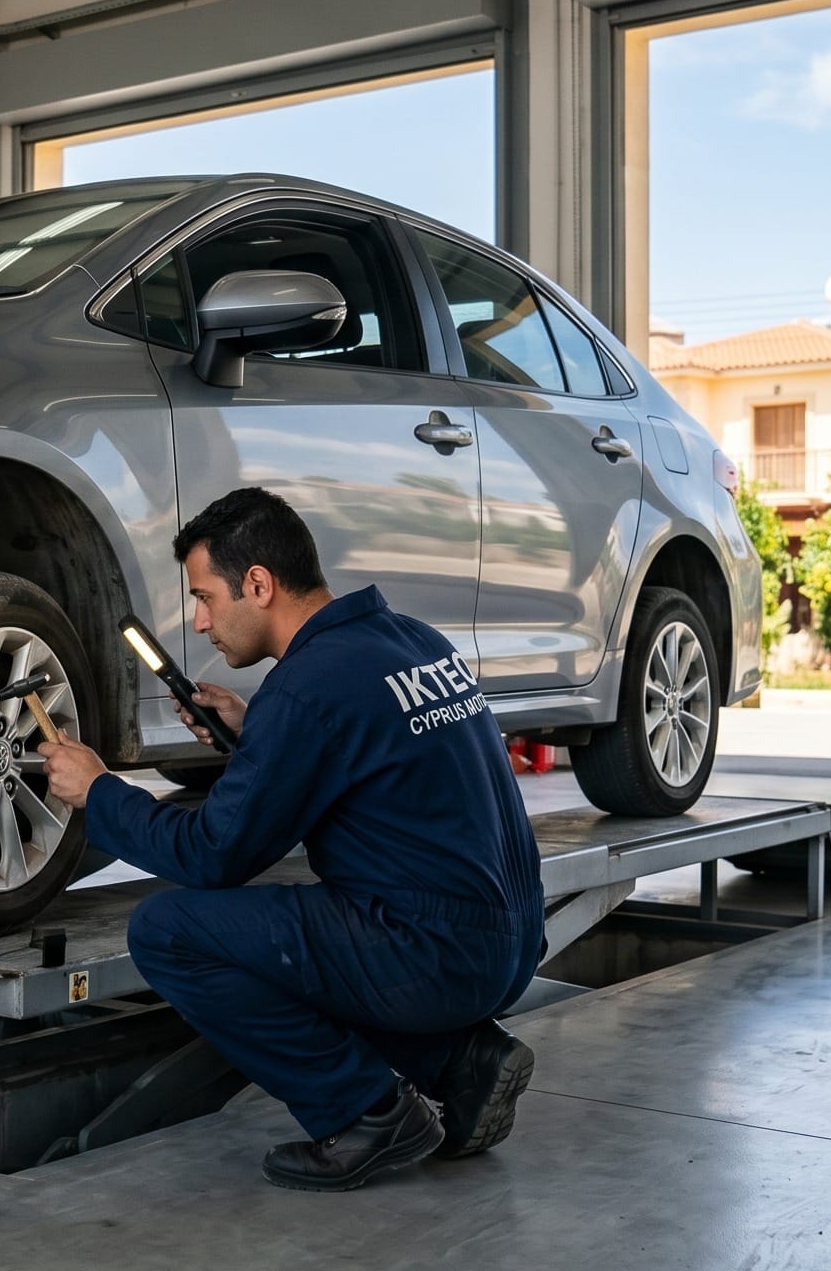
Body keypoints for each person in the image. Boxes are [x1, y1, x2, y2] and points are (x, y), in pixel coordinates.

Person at [41, 487, 544, 1191]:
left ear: (258, 584)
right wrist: (256, 733)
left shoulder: (307, 689)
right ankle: (462, 1063)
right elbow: (369, 755)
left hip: (438, 956)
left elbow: (214, 856)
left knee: (170, 929)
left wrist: (100, 792)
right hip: (510, 939)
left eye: (206, 597)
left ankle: (365, 1114)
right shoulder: (410, 638)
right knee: (308, 924)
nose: (200, 622)